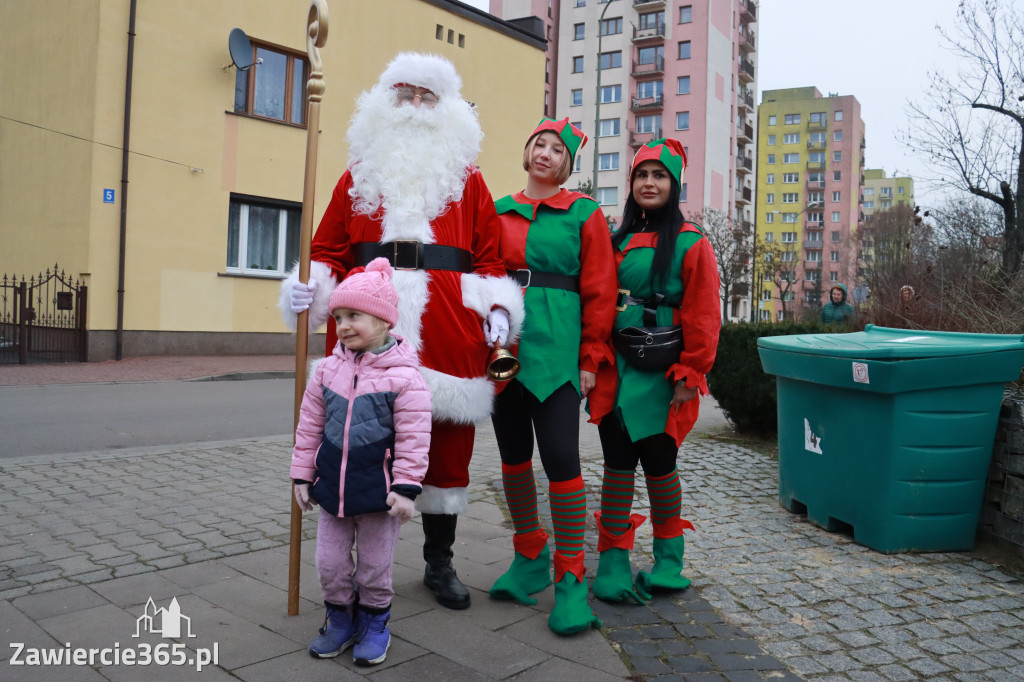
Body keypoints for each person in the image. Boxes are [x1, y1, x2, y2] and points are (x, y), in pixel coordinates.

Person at [281, 53, 524, 611]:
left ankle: (439, 562)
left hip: (446, 327)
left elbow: (489, 258)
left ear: (449, 109)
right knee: (354, 442)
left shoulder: (470, 180)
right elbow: (325, 249)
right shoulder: (357, 174)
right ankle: (352, 567)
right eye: (406, 94)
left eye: (428, 97)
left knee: (445, 446)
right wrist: (310, 288)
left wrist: (498, 311)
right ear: (383, 102)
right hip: (366, 326)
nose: (415, 107)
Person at [487, 118, 617, 635]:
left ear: (568, 164)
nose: (545, 152)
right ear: (526, 152)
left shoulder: (584, 213)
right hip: (504, 348)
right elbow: (482, 275)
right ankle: (528, 557)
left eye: (557, 149)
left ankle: (569, 579)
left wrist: (590, 358)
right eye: (538, 143)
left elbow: (601, 289)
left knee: (561, 460)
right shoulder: (497, 211)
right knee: (513, 457)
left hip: (559, 353)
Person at [587, 138, 721, 604]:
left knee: (661, 465)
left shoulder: (692, 241)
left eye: (659, 175)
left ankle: (668, 560)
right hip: (615, 366)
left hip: (664, 372)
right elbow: (598, 300)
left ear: (674, 184)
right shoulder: (613, 239)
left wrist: (692, 373)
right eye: (642, 175)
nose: (649, 183)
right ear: (631, 184)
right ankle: (613, 559)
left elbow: (704, 313)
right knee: (617, 465)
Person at [290, 258, 430, 666]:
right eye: (337, 317)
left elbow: (414, 439)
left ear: (385, 321)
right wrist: (302, 475)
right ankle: (340, 620)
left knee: (373, 568)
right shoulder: (326, 372)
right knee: (330, 564)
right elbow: (309, 425)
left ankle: (374, 624)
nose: (343, 325)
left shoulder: (405, 378)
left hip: (379, 494)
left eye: (354, 315)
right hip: (332, 487)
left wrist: (405, 488)